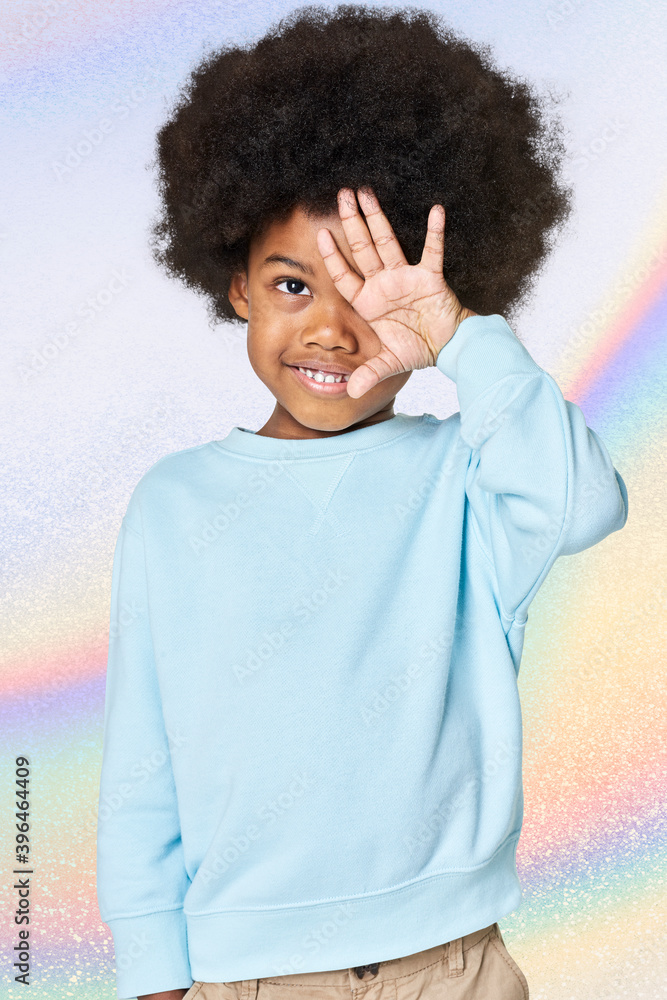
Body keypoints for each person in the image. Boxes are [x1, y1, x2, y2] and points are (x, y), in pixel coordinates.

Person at [95, 6, 629, 999]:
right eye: (294, 283)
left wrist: (460, 337)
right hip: (250, 975)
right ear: (236, 285)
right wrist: (151, 972)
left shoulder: (465, 481)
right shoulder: (173, 506)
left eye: (371, 295)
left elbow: (583, 503)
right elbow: (142, 765)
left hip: (453, 963)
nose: (332, 330)